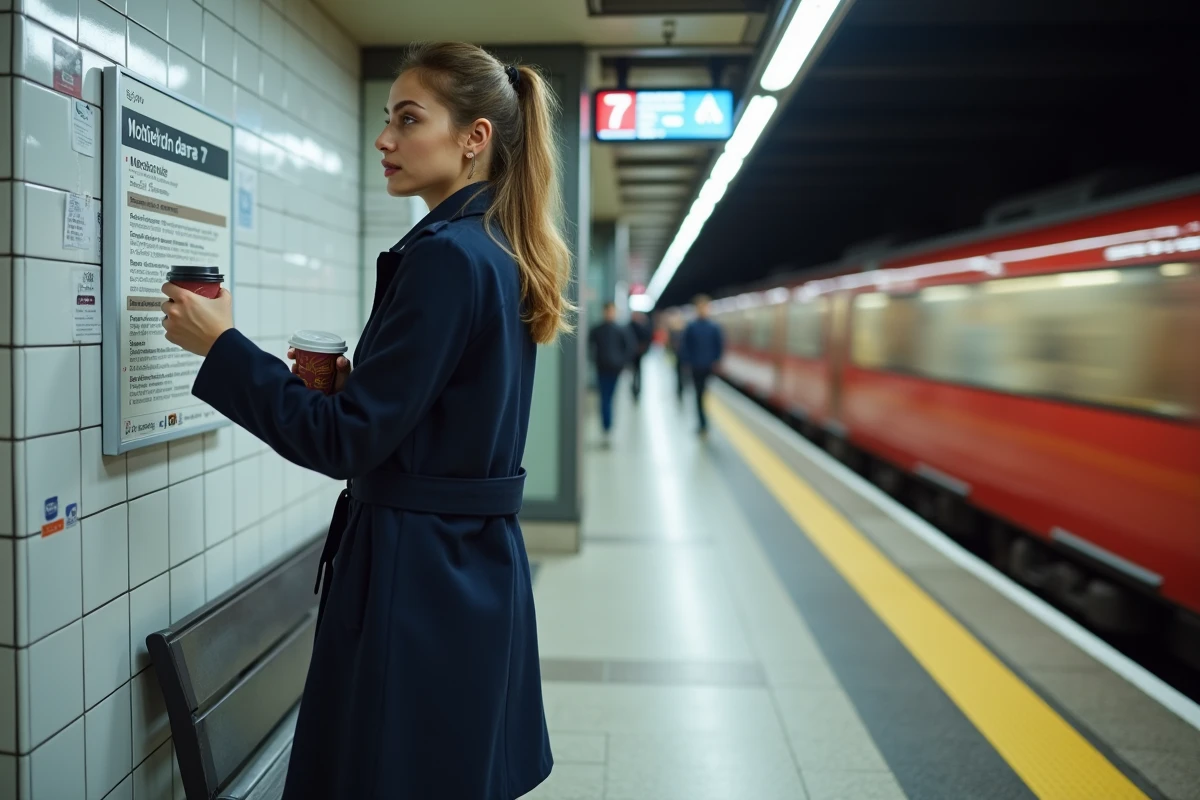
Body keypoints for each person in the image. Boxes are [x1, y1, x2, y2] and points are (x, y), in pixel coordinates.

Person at [159, 42, 569, 800]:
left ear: (473, 137)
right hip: (469, 569)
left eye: (408, 120)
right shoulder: (497, 249)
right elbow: (436, 413)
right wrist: (360, 389)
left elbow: (344, 441)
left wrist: (221, 347)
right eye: (386, 120)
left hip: (415, 579)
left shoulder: (447, 257)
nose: (384, 139)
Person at [588, 302, 634, 443]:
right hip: (602, 368)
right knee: (605, 398)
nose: (610, 314)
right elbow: (590, 347)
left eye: (612, 311)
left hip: (615, 369)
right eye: (607, 311)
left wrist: (622, 363)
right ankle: (606, 427)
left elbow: (629, 348)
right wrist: (595, 360)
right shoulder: (597, 330)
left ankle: (608, 426)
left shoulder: (621, 330)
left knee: (609, 397)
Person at [681, 294, 724, 434]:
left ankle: (703, 422)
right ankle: (702, 422)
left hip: (708, 367)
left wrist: (716, 361)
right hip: (696, 367)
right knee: (699, 395)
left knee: (703, 394)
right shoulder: (692, 327)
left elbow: (719, 347)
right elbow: (686, 347)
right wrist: (687, 363)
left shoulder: (714, 327)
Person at [626, 311, 653, 401]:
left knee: (637, 372)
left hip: (638, 354)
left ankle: (637, 389)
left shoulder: (642, 326)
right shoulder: (630, 326)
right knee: (633, 372)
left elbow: (647, 338)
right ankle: (634, 388)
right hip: (632, 354)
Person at [665, 310, 688, 403]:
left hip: (680, 356)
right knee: (679, 374)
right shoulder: (683, 330)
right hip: (678, 356)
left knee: (680, 374)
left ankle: (680, 389)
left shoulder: (676, 331)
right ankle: (680, 389)